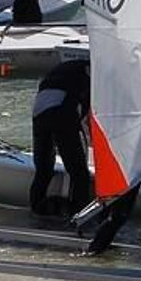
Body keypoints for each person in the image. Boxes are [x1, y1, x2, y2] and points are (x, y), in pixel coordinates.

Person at [28, 58, 92, 217]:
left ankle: (36, 211)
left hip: (39, 112)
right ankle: (80, 217)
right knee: (80, 175)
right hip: (62, 113)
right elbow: (89, 113)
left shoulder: (68, 67)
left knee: (43, 171)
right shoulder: (93, 74)